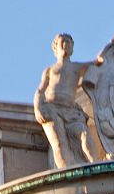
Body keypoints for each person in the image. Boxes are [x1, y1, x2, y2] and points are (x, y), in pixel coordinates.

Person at [34, 33, 94, 168]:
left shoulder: (77, 67)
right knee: (59, 144)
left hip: (71, 111)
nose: (66, 45)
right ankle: (67, 171)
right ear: (56, 48)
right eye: (63, 42)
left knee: (84, 133)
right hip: (52, 109)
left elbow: (97, 63)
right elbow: (40, 90)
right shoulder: (50, 70)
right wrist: (38, 107)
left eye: (69, 42)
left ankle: (94, 164)